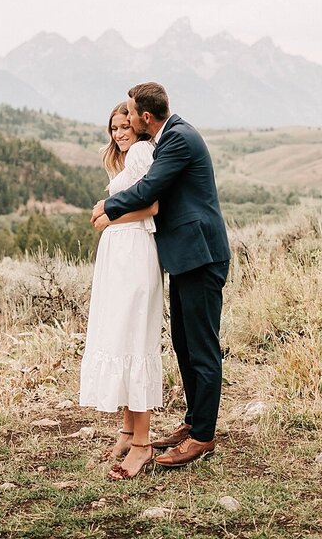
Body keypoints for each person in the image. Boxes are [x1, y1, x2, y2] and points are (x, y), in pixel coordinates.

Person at [92, 82, 230, 469]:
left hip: (202, 256)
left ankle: (203, 436)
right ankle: (193, 422)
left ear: (145, 117)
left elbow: (150, 189)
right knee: (184, 344)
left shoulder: (178, 139)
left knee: (202, 347)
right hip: (185, 256)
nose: (128, 122)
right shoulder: (170, 135)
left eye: (131, 115)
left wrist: (107, 206)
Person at [78, 102, 163, 480]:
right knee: (122, 336)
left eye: (125, 125)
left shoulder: (143, 152)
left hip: (134, 253)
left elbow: (153, 205)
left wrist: (108, 213)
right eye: (114, 128)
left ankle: (143, 443)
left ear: (139, 126)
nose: (119, 133)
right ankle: (129, 431)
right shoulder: (127, 160)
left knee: (132, 339)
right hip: (120, 254)